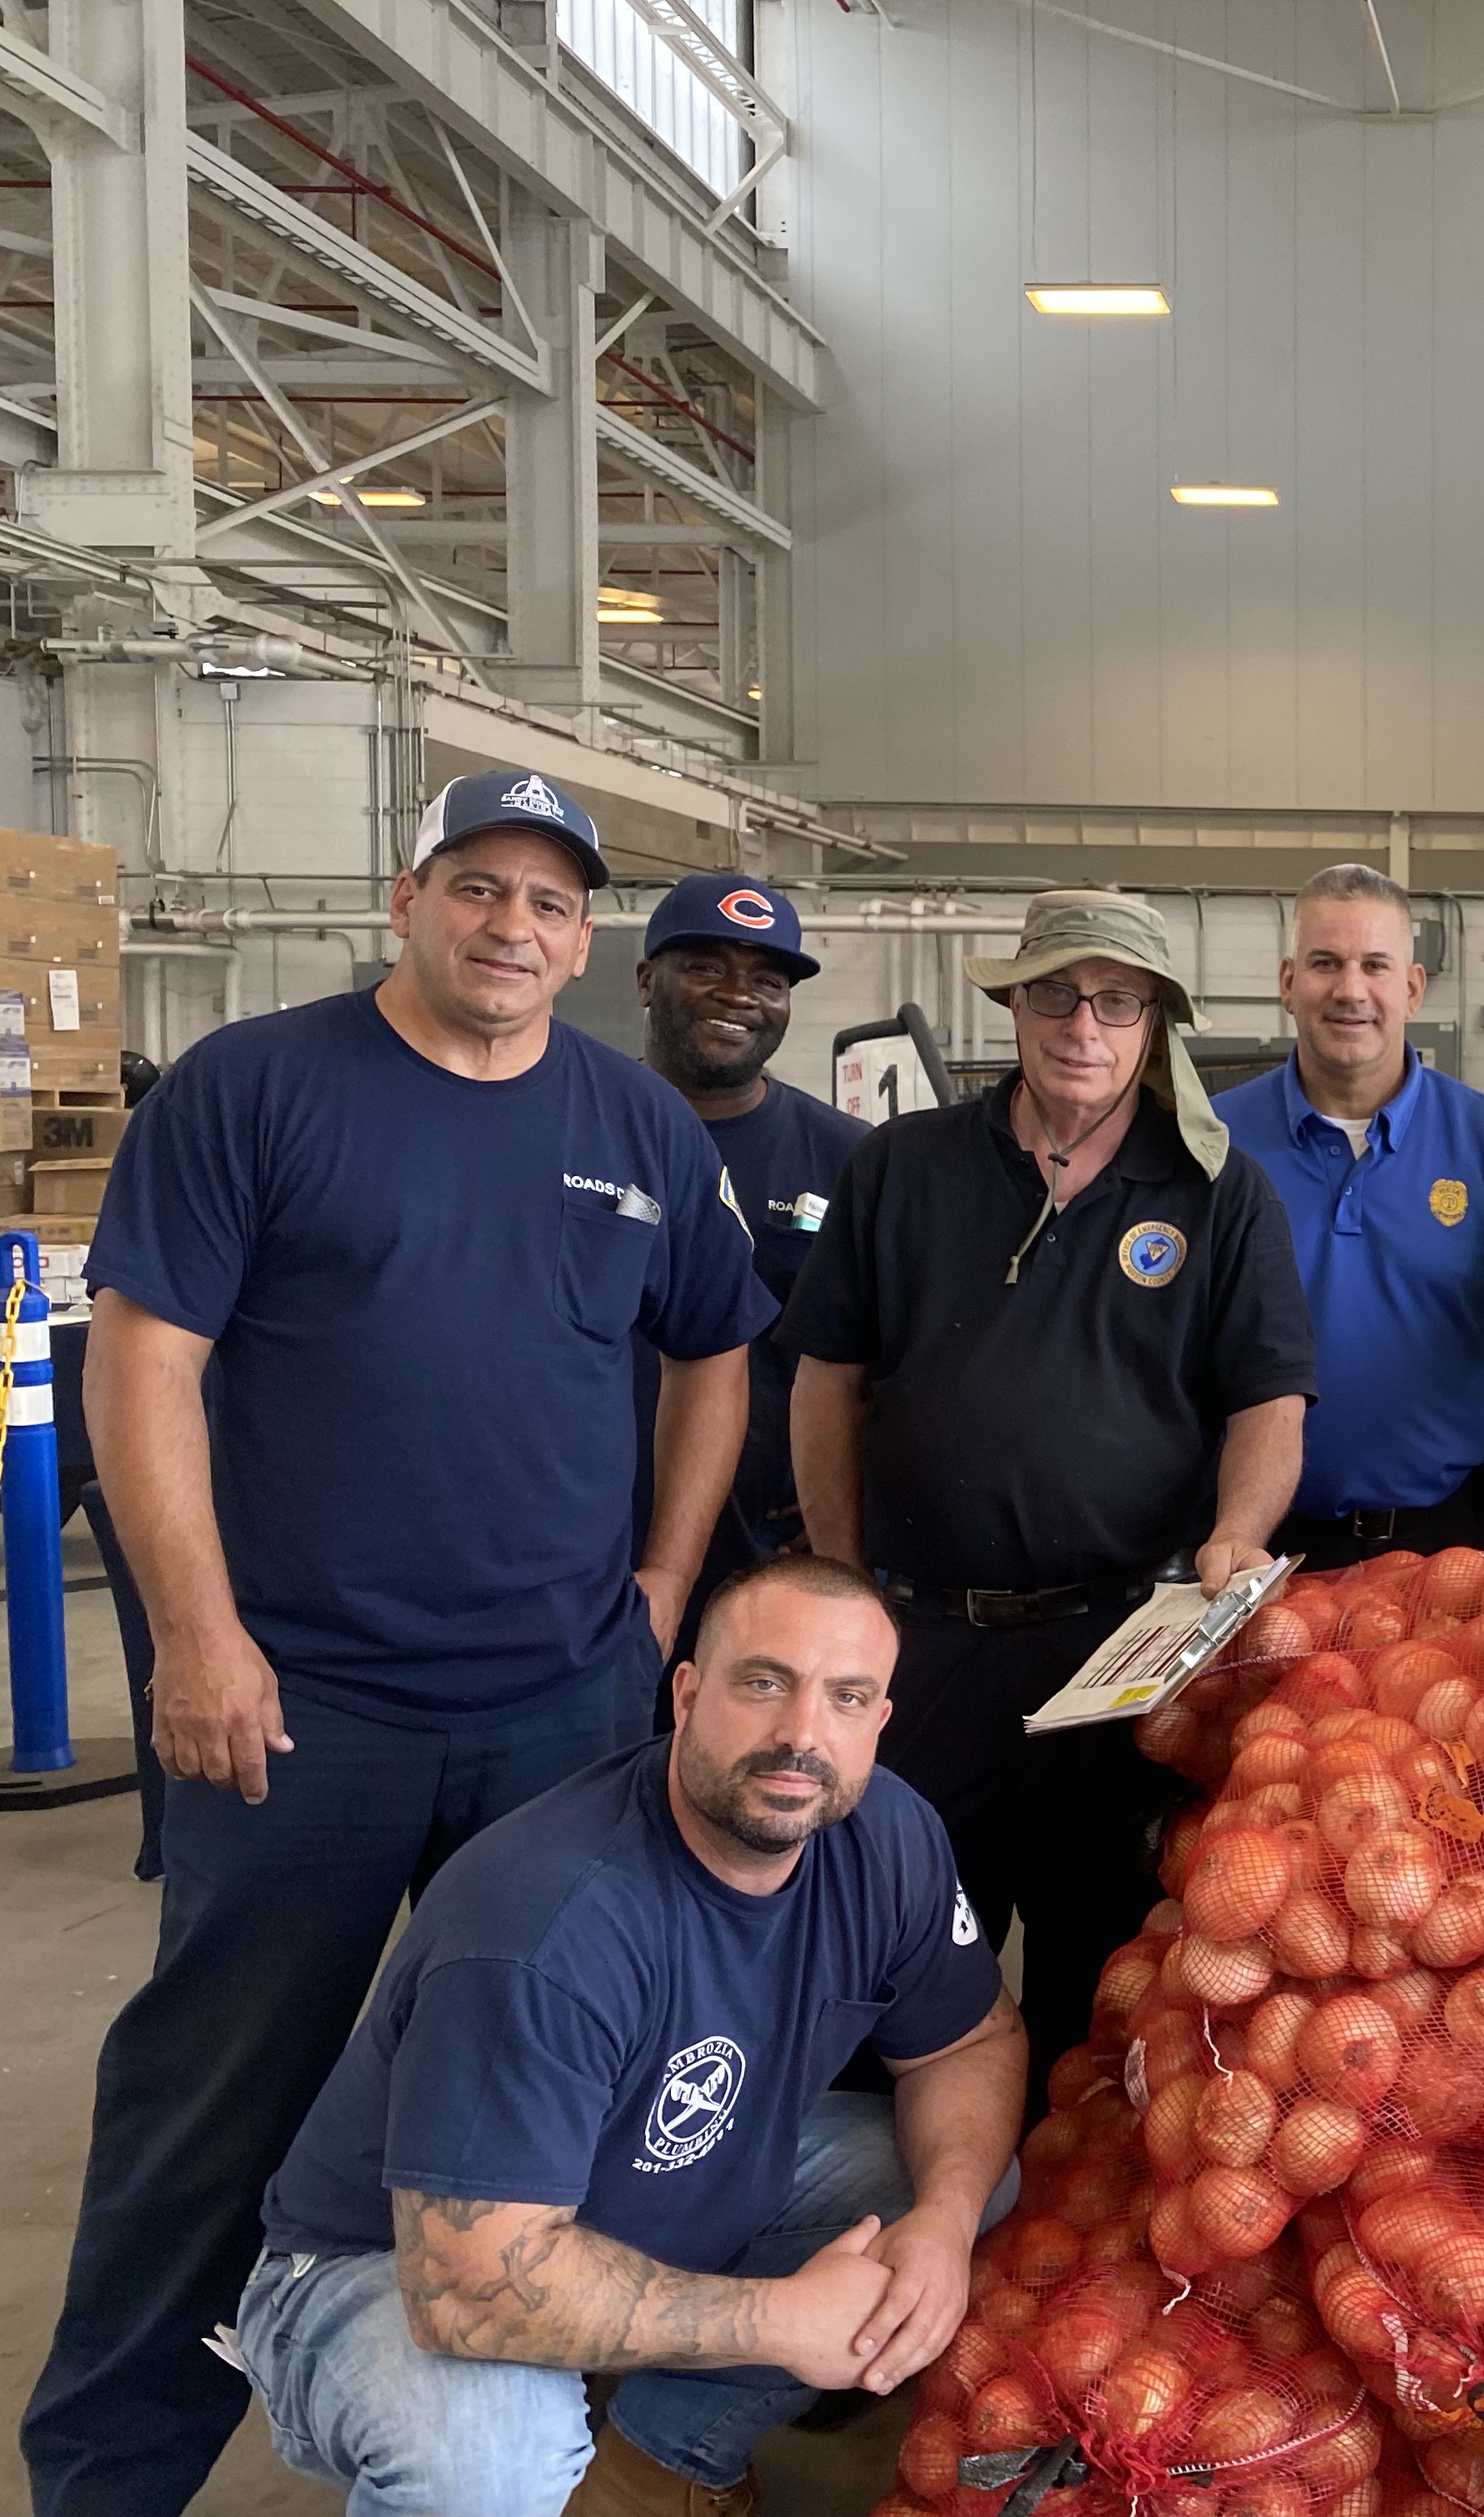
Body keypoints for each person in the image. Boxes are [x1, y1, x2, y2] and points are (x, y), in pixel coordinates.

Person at [22, 770, 772, 2517]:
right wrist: (197, 1638)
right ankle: (107, 2479)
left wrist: (662, 1588)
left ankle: (548, 2457)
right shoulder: (254, 1090)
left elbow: (715, 1348)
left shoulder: (639, 1127)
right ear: (405, 897)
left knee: (562, 2096)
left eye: (550, 903)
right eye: (480, 888)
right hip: (303, 1709)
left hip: (560, 1711)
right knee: (216, 2101)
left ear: (585, 939)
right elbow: (142, 1363)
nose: (515, 927)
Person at [236, 1551, 1027, 2517]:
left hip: (633, 2199)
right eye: (764, 1683)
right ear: (686, 1694)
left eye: (847, 1698)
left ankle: (658, 2466)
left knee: (952, 2179)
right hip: (390, 2269)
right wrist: (781, 2320)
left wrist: (942, 2226)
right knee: (484, 2461)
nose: (801, 1737)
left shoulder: (886, 1837)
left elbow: (968, 2045)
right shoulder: (546, 1924)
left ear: (880, 1723)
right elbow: (469, 2292)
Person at [783, 889, 1315, 2083]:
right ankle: (892, 2224)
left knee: (1099, 1974)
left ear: (1153, 1025)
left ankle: (1048, 2244)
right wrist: (838, 1573)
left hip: (1118, 1655)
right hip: (926, 1643)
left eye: (1116, 1001)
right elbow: (827, 1381)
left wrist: (1237, 1536)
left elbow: (1268, 1403)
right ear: (1014, 1008)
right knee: (898, 1955)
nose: (1084, 1024)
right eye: (1054, 994)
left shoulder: (1216, 1192)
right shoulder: (902, 1168)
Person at [1212, 865, 1484, 1568]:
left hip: (1457, 1547)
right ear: (1287, 982)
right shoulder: (1212, 1145)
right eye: (1325, 964)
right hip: (1257, 1554)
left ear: (1412, 988)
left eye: (1374, 966)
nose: (1350, 990)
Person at [633, 873, 871, 1649]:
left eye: (768, 980)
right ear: (646, 979)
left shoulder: (850, 1161)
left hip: (768, 1562)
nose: (738, 995)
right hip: (588, 1548)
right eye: (706, 967)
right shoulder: (575, 1128)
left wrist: (843, 1503)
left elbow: (894, 1356)